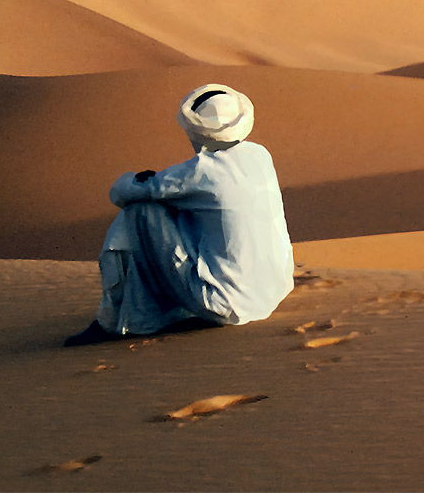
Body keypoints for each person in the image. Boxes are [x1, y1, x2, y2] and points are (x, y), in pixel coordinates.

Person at [63, 84, 295, 346]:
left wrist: (135, 180)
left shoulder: (200, 171)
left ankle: (113, 318)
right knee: (185, 214)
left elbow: (121, 193)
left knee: (140, 212)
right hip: (269, 296)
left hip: (223, 304)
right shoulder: (259, 155)